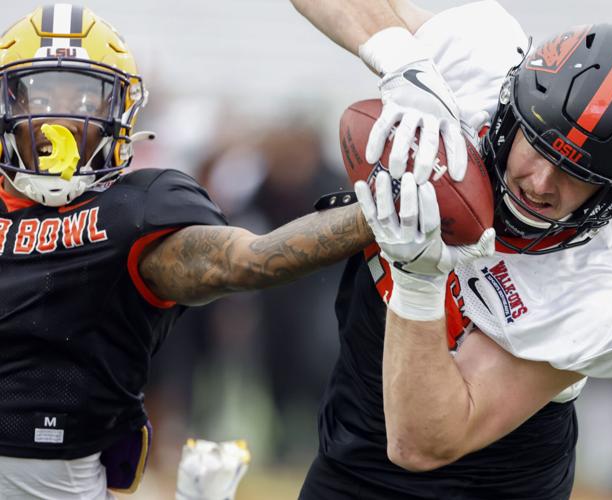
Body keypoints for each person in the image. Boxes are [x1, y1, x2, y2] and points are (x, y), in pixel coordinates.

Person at [292, 1, 612, 498]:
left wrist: (418, 281)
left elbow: (424, 444)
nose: (540, 181)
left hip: (485, 478)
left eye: (578, 174)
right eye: (539, 144)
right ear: (512, 109)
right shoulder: (475, 69)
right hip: (353, 430)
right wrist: (402, 61)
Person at [0, 5, 373, 499]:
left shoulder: (133, 209)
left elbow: (246, 258)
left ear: (121, 109)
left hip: (63, 476)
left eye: (85, 96)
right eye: (42, 95)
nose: (61, 117)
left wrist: (375, 213)